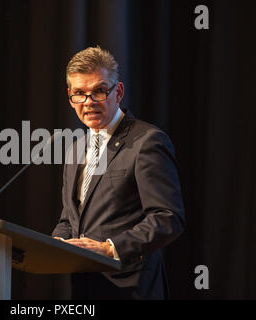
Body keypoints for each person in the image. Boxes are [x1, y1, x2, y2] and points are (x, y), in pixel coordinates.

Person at [52, 46, 185, 299]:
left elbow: (168, 216)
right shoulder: (76, 148)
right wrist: (55, 245)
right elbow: (69, 220)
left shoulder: (147, 141)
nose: (88, 102)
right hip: (85, 289)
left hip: (131, 287)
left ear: (118, 92)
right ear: (70, 98)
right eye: (80, 93)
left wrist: (109, 248)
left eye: (99, 91)